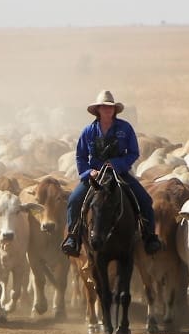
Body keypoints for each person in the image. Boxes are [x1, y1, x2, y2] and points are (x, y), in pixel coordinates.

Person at [61, 90, 162, 256]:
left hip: (119, 173)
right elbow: (80, 156)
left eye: (110, 107)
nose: (108, 110)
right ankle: (73, 237)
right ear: (98, 110)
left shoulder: (125, 128)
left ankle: (149, 237)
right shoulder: (88, 131)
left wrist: (116, 164)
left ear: (114, 110)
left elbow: (133, 153)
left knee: (145, 200)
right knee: (73, 200)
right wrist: (88, 173)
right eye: (104, 107)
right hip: (95, 176)